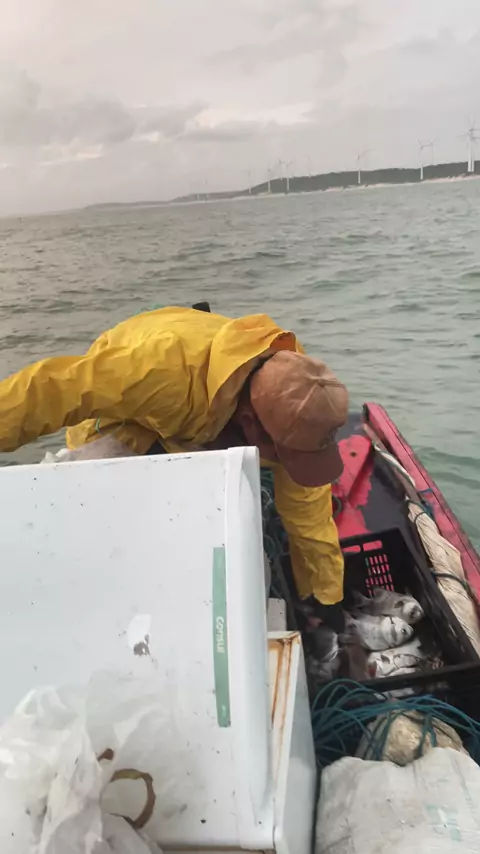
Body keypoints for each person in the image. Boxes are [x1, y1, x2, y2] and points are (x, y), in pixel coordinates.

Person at [0, 306, 348, 629]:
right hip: (124, 414)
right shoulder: (163, 373)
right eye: (286, 454)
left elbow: (309, 511)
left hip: (200, 417)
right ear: (249, 423)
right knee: (106, 518)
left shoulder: (300, 393)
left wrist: (325, 596)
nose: (288, 463)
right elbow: (50, 390)